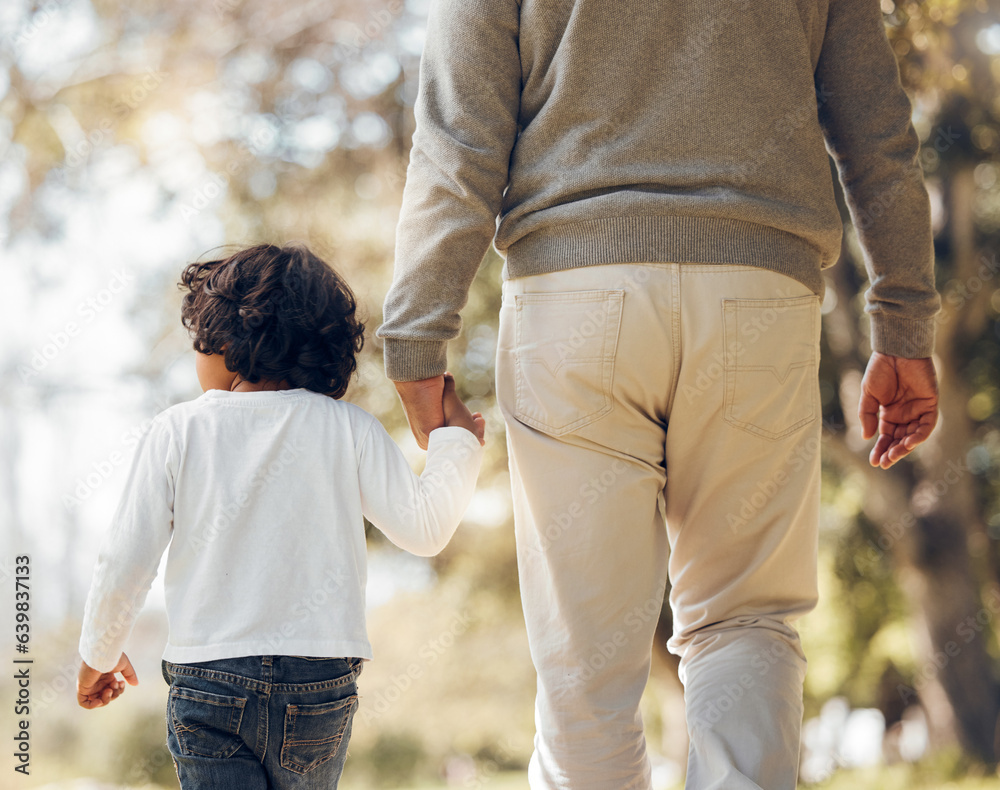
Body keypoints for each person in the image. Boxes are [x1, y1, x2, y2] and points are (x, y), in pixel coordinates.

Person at [376, 0, 940, 788]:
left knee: (584, 666)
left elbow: (457, 137)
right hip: (759, 292)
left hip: (573, 296)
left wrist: (417, 338)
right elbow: (878, 133)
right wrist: (904, 323)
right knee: (745, 622)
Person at [76, 243, 485, 789]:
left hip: (209, 679)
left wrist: (98, 652)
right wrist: (454, 440)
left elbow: (125, 558)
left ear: (224, 341)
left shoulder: (178, 431)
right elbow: (427, 529)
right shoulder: (349, 427)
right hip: (318, 682)